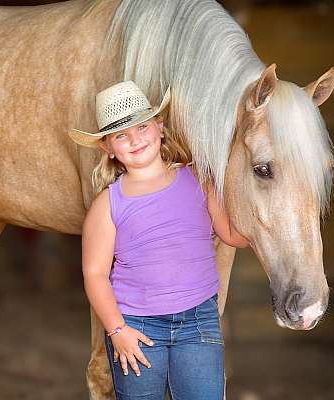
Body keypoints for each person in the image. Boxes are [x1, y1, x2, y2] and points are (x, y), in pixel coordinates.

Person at [69, 81, 249, 400]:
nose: (135, 140)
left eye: (142, 127)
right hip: (137, 326)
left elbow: (235, 236)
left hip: (198, 320)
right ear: (108, 148)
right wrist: (117, 330)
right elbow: (95, 274)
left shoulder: (199, 180)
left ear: (160, 128)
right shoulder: (108, 204)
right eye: (121, 135)